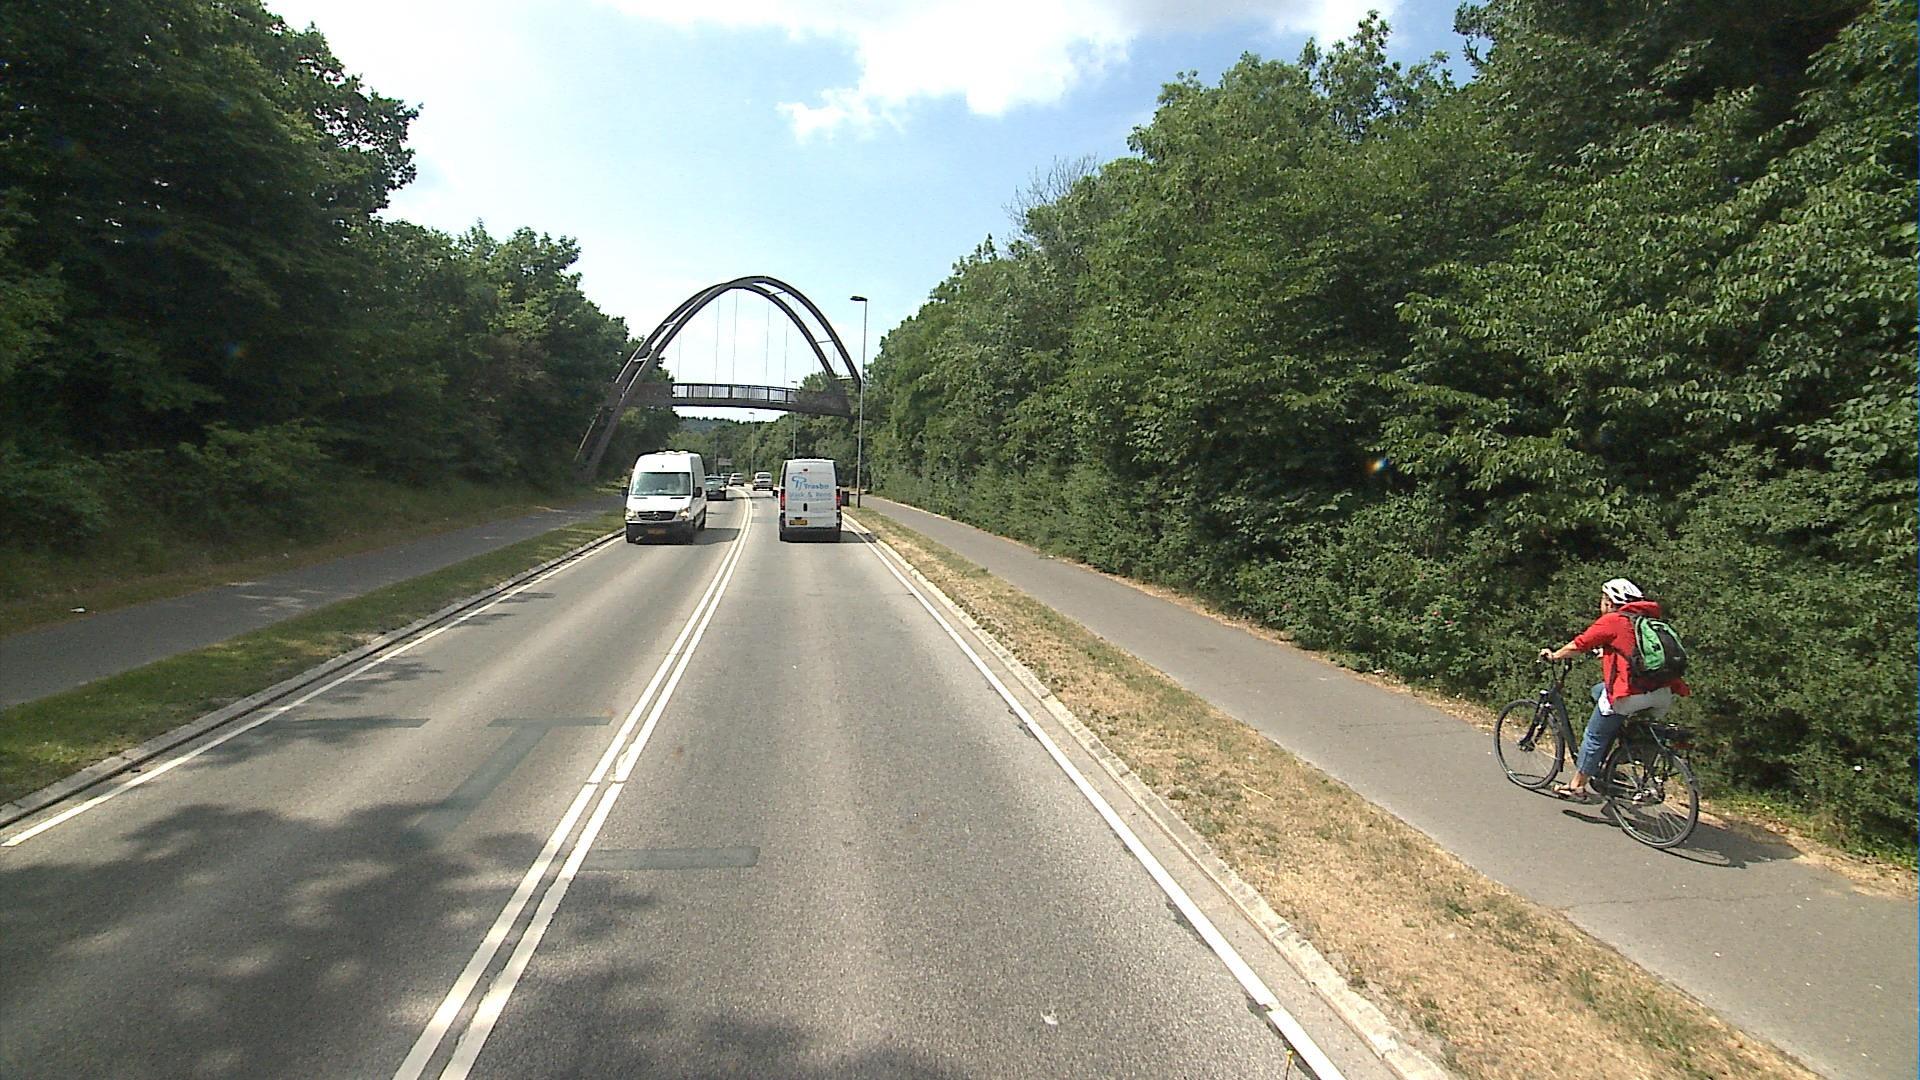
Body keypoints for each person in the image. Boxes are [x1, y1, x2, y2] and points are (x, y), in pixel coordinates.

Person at [1537, 577, 1690, 802]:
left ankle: (1576, 786)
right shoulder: (1646, 620)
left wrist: (1554, 655)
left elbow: (1579, 644)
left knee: (1594, 735)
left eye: (1602, 599)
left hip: (1629, 694)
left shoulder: (1613, 620)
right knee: (1598, 691)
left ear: (1609, 602)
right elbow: (1633, 651)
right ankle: (1624, 761)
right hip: (1662, 693)